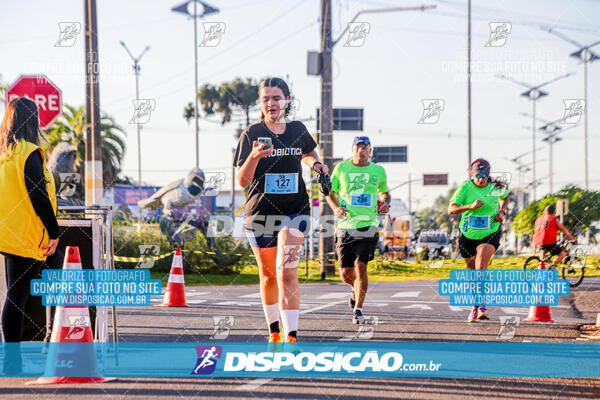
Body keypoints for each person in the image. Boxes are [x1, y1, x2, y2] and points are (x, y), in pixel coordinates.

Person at [234, 77, 328, 344]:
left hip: (295, 209)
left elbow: (308, 153)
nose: (271, 103)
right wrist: (254, 156)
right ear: (260, 103)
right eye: (265, 98)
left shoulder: (297, 129)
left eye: (276, 98)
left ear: (287, 100)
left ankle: (292, 335)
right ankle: (274, 330)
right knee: (268, 274)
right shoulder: (251, 134)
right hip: (260, 212)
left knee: (287, 269)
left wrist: (316, 165)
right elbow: (242, 181)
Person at [0, 98, 60, 372]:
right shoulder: (28, 151)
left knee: (18, 293)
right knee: (18, 295)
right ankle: (20, 357)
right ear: (31, 120)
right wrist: (54, 231)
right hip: (29, 233)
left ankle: (20, 356)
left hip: (9, 233)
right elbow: (37, 193)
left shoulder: (5, 152)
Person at [325, 136, 390, 324]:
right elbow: (330, 192)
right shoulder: (342, 168)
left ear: (370, 150)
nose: (361, 151)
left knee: (361, 266)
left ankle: (358, 310)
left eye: (365, 148)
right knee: (346, 273)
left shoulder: (378, 170)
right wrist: (336, 208)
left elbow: (384, 191)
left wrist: (384, 202)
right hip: (345, 225)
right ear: (353, 150)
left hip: (368, 224)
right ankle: (355, 290)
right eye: (358, 147)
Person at [447, 158, 508, 323]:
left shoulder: (495, 187)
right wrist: (470, 206)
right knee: (472, 270)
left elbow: (505, 197)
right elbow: (451, 209)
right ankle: (475, 306)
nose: (481, 179)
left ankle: (481, 306)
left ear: (489, 174)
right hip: (468, 235)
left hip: (490, 232)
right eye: (478, 175)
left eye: (484, 175)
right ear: (472, 174)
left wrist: (502, 212)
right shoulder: (466, 188)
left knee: (481, 265)